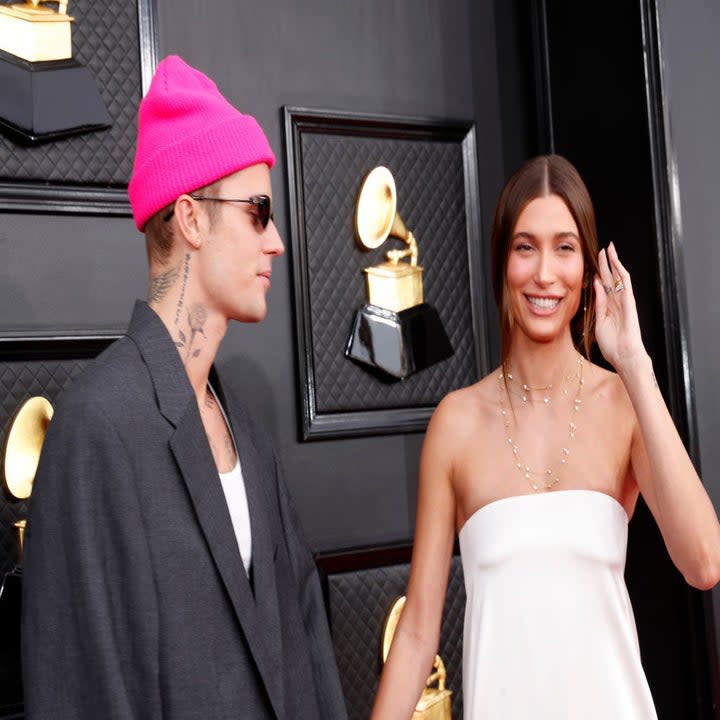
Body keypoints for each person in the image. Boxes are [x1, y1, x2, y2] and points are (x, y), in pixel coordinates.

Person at [22, 55, 347, 720]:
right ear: (192, 218)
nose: (278, 241)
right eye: (258, 212)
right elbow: (86, 689)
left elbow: (305, 638)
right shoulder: (97, 430)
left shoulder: (244, 425)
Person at [370, 154, 720, 719]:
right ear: (501, 263)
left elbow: (704, 561)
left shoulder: (623, 405)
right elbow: (415, 637)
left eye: (565, 248)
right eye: (525, 247)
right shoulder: (456, 424)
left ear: (588, 269)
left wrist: (634, 362)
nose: (545, 274)